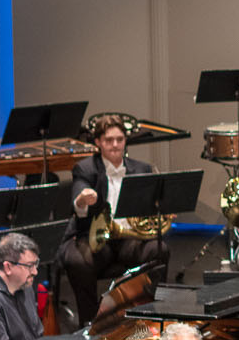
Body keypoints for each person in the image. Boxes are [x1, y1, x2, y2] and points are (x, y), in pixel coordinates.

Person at [56, 113, 170, 328]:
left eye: (120, 139)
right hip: (96, 239)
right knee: (77, 260)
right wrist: (82, 200)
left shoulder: (142, 169)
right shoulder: (86, 168)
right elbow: (78, 197)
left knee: (158, 249)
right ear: (98, 142)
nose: (115, 145)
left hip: (130, 239)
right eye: (109, 140)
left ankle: (150, 315)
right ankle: (90, 324)